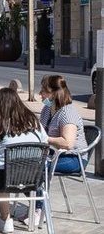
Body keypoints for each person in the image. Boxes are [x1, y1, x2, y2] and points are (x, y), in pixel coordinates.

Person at [0, 88, 48, 233]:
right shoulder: (34, 121)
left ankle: (5, 218)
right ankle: (6, 218)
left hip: (6, 177)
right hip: (34, 176)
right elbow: (45, 142)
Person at [31, 74, 88, 224]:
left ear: (54, 93)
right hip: (52, 154)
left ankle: (39, 209)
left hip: (73, 158)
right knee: (24, 163)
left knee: (38, 168)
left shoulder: (67, 112)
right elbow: (40, 130)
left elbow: (67, 143)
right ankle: (35, 204)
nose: (40, 94)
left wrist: (46, 139)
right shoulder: (46, 110)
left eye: (44, 91)